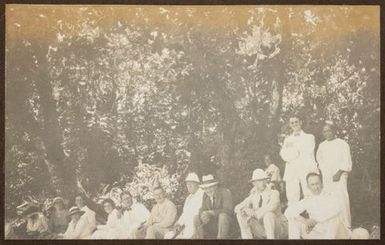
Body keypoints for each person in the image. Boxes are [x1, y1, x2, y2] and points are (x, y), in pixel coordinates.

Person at [284, 172, 350, 239]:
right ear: (308, 187)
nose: (316, 187)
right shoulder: (307, 200)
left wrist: (315, 221)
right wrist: (305, 221)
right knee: (293, 220)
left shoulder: (330, 196)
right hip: (319, 233)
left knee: (334, 220)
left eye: (317, 183)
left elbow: (337, 209)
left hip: (336, 233)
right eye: (312, 185)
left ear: (322, 184)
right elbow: (288, 212)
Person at [316, 121, 352, 228]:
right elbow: (319, 160)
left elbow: (346, 160)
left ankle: (346, 226)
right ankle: (333, 226)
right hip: (327, 177)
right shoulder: (322, 145)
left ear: (334, 131)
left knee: (341, 199)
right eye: (325, 131)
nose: (327, 133)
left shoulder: (342, 143)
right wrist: (324, 172)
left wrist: (339, 173)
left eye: (329, 131)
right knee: (329, 199)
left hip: (339, 176)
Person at [235, 169, 287, 239]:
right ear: (254, 183)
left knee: (268, 215)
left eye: (264, 180)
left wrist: (253, 213)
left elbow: (270, 208)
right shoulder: (253, 195)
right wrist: (244, 209)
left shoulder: (274, 193)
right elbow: (237, 208)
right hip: (263, 229)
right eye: (259, 181)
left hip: (278, 228)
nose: (263, 183)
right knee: (240, 215)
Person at [279, 116, 318, 206]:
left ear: (300, 122)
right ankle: (294, 219)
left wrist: (293, 150)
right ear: (290, 125)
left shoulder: (309, 137)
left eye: (296, 122)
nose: (294, 124)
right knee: (292, 196)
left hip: (306, 169)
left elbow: (309, 149)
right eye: (292, 123)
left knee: (310, 194)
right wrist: (295, 152)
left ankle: (314, 218)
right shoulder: (287, 140)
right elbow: (283, 155)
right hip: (292, 171)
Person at [166, 172, 205, 239]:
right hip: (185, 227)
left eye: (191, 183)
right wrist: (178, 224)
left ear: (197, 184)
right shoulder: (189, 198)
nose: (189, 186)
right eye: (187, 184)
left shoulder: (202, 195)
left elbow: (197, 214)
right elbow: (184, 214)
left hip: (196, 226)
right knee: (168, 236)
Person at [195, 174, 233, 239]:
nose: (208, 190)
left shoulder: (225, 192)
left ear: (216, 186)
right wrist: (202, 214)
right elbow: (202, 208)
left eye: (210, 187)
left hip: (226, 225)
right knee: (195, 218)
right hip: (212, 224)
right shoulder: (205, 195)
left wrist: (210, 212)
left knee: (223, 215)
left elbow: (228, 210)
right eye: (205, 188)